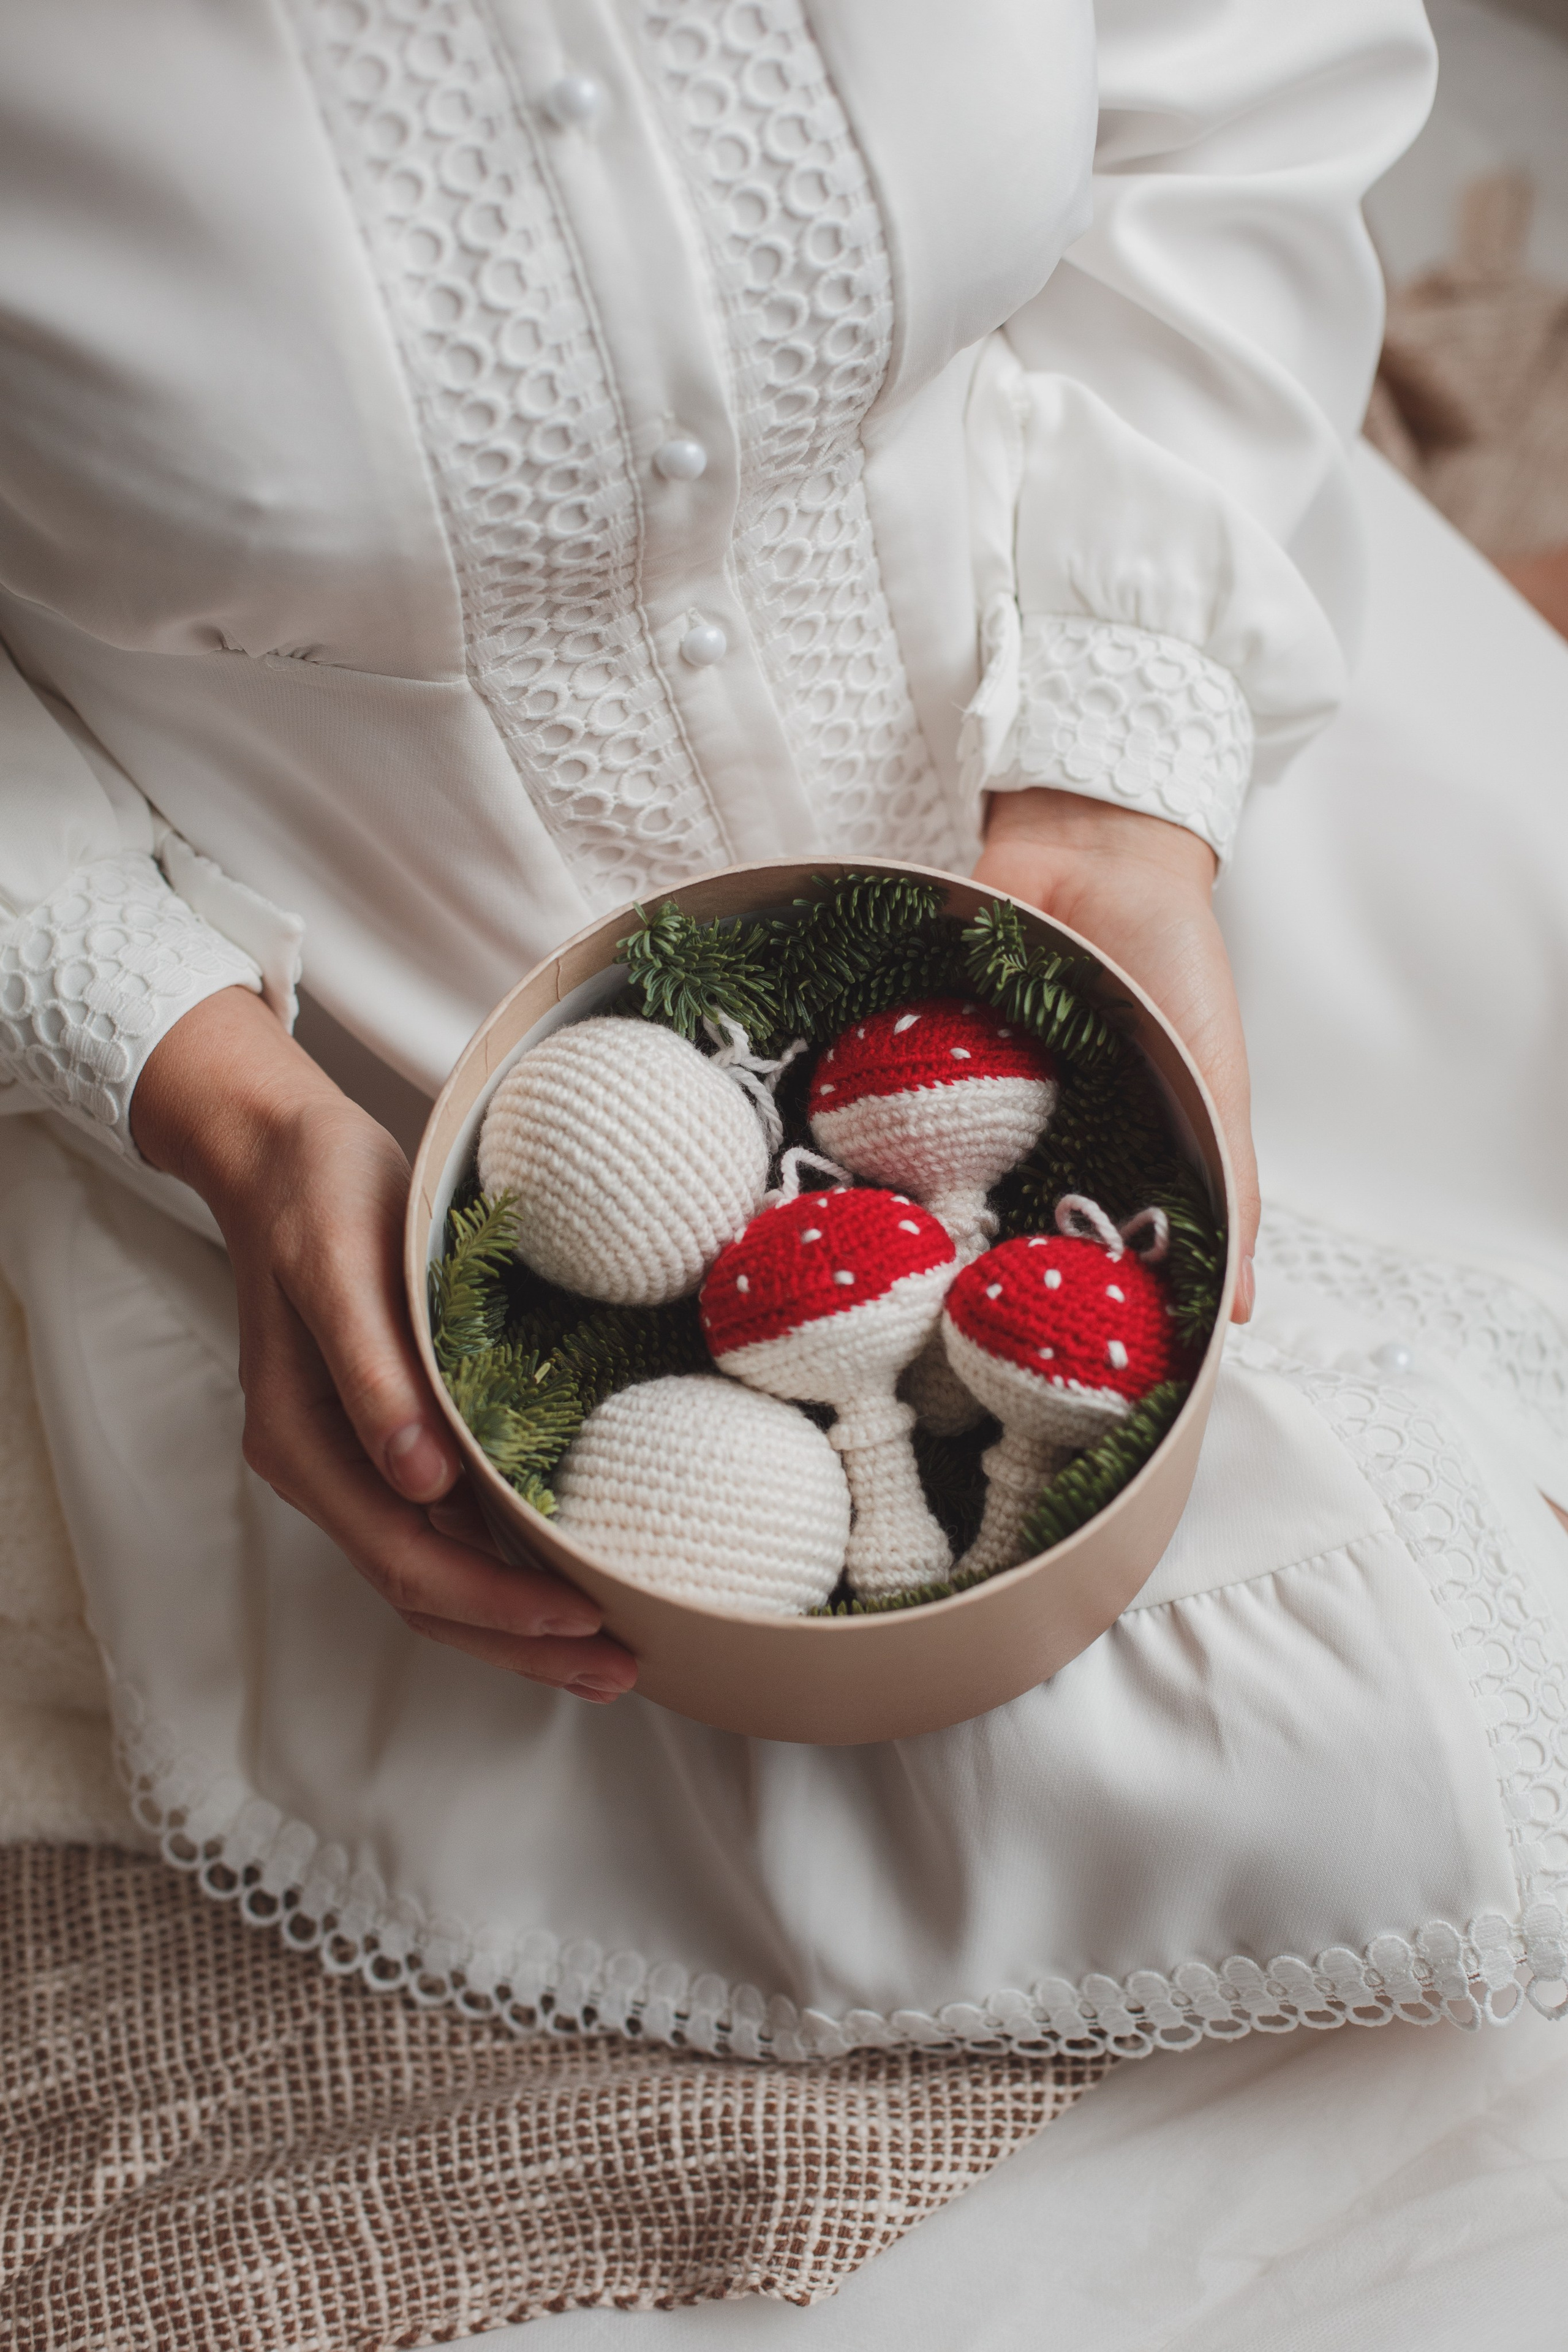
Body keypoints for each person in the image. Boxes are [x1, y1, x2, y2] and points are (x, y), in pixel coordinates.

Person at [4, 0, 1566, 2064]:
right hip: (360, 1053)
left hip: (1153, 693)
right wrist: (209, 1085)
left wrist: (1125, 767)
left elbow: (1240, 81)